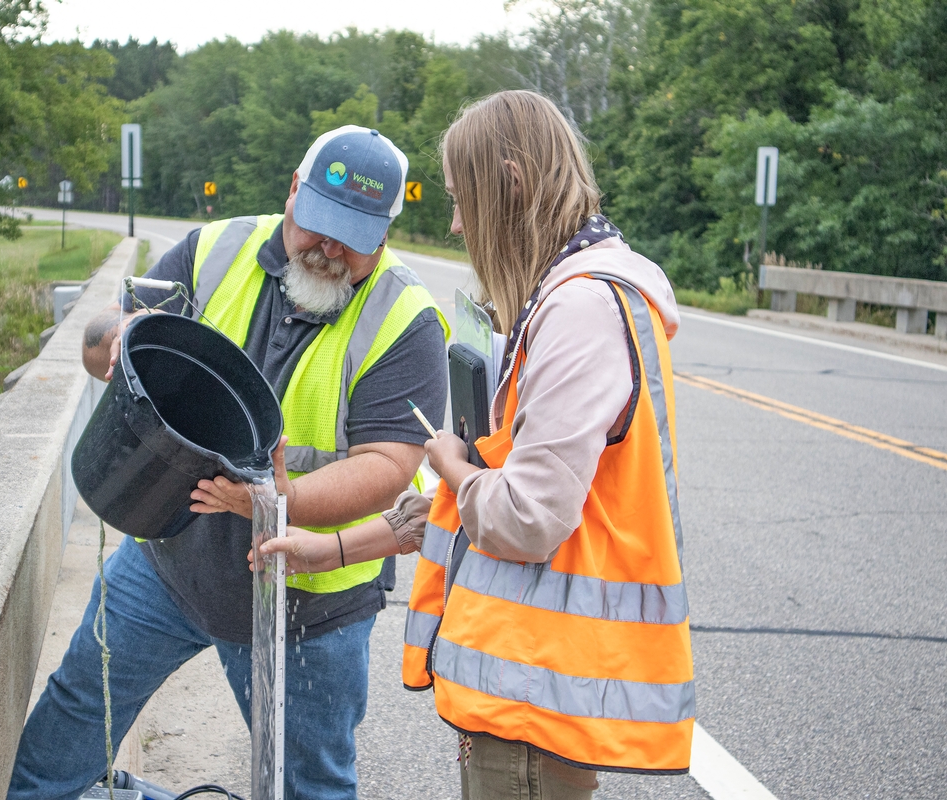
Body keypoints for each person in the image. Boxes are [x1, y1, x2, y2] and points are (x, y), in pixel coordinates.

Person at [258, 91, 694, 799]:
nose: (458, 224)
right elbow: (491, 492)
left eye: (464, 200)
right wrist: (336, 549)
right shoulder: (560, 298)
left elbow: (522, 518)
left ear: (513, 184)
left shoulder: (580, 309)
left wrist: (452, 465)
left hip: (536, 685)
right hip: (524, 677)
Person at [7, 125, 449, 800]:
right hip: (167, 564)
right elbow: (100, 344)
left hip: (309, 604)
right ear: (294, 193)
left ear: (386, 232)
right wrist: (115, 342)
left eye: (352, 239)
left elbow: (386, 467)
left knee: (309, 788)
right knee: (64, 736)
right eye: (319, 227)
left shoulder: (405, 319)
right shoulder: (217, 249)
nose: (329, 251)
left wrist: (271, 499)